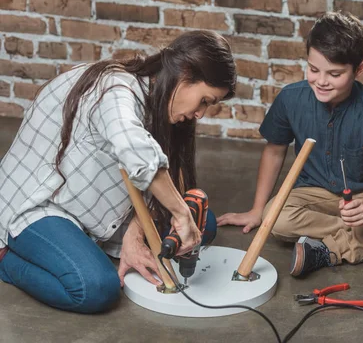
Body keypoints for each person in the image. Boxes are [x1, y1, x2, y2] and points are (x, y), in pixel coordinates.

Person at [0, 30, 236, 313]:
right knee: (96, 288)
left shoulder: (160, 101)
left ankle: (90, 246)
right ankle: (7, 260)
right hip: (41, 205)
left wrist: (134, 235)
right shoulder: (114, 90)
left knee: (202, 226)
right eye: (205, 100)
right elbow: (140, 157)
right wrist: (180, 213)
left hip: (92, 204)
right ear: (184, 73)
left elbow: (153, 180)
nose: (201, 114)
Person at [218, 12, 363, 276]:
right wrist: (256, 210)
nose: (321, 81)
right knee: (277, 218)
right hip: (313, 194)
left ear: (360, 68)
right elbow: (275, 152)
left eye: (334, 74)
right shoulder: (290, 99)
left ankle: (332, 249)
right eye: (313, 69)